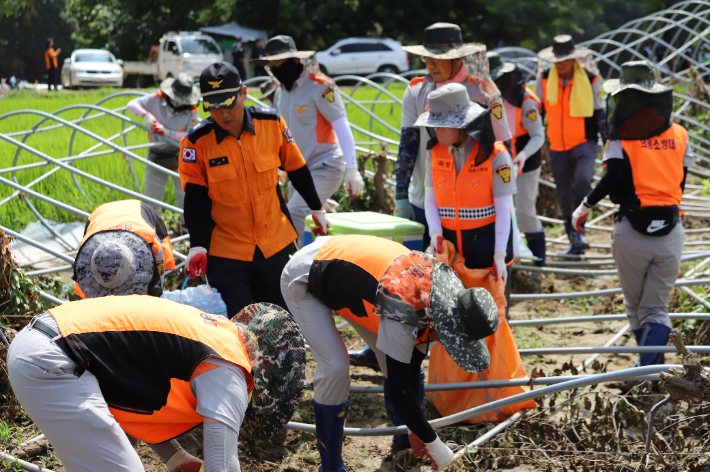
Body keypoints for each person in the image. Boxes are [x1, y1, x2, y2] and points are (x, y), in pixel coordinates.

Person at [358, 22, 512, 372]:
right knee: (431, 284)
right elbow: (408, 144)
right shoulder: (416, 90)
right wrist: (400, 194)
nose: (430, 64)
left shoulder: (485, 91)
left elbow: (504, 145)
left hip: (480, 199)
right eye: (426, 57)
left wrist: (502, 197)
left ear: (457, 56)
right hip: (430, 194)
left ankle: (491, 355)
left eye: (438, 58)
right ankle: (409, 352)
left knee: (484, 288)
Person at [7, 297, 305, 472]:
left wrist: (174, 455)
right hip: (53, 362)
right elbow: (222, 466)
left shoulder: (213, 335)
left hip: (43, 348)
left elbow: (139, 381)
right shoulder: (231, 369)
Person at [281, 234, 497, 470]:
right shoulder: (405, 307)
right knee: (335, 367)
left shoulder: (443, 301)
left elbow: (412, 366)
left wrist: (421, 433)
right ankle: (330, 466)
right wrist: (434, 443)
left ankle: (407, 439)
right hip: (307, 274)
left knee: (396, 359)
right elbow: (399, 389)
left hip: (348, 272)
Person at [179, 62, 329, 318]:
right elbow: (194, 197)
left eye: (228, 103)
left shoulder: (271, 123)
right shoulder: (196, 142)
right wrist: (198, 245)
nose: (223, 114)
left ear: (243, 93)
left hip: (273, 243)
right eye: (213, 106)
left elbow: (296, 168)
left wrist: (317, 207)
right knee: (237, 322)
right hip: (226, 249)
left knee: (280, 320)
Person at [572, 61, 692, 369]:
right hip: (672, 230)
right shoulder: (680, 134)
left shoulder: (620, 137)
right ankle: (653, 370)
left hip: (631, 231)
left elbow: (613, 177)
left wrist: (585, 206)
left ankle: (646, 372)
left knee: (635, 307)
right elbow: (681, 179)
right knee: (657, 308)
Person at [253, 35, 365, 246]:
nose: (277, 70)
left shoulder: (320, 86)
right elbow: (279, 134)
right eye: (271, 65)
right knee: (308, 220)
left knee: (294, 213)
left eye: (280, 63)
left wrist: (352, 168)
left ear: (296, 60)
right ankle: (324, 259)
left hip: (325, 164)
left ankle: (297, 267)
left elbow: (341, 125)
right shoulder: (279, 92)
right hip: (298, 170)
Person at [418, 83, 516, 307]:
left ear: (462, 124)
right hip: (451, 246)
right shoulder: (433, 153)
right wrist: (435, 233)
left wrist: (499, 254)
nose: (437, 131)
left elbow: (504, 209)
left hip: (488, 245)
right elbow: (431, 198)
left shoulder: (495, 154)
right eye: (434, 126)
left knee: (491, 313)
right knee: (455, 315)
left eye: (443, 126)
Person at [535, 35, 607, 255]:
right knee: (564, 195)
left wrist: (608, 145)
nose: (561, 63)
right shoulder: (545, 78)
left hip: (584, 141)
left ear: (573, 58)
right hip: (556, 144)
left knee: (584, 180)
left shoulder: (590, 78)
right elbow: (538, 111)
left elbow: (601, 113)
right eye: (557, 59)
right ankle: (574, 239)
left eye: (565, 59)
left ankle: (580, 230)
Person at [488, 52, 546, 270]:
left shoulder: (527, 101)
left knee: (524, 211)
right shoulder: (495, 97)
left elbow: (538, 136)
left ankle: (539, 265)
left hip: (525, 165)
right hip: (501, 162)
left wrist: (522, 155)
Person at [72, 199, 176, 299]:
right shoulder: (87, 258)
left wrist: (155, 293)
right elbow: (84, 298)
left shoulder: (151, 244)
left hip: (139, 211)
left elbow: (156, 291)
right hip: (100, 215)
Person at [127, 73, 200, 214]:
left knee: (185, 199)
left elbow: (192, 135)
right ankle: (154, 229)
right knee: (151, 202)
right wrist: (145, 115)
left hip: (180, 156)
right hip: (156, 154)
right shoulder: (157, 99)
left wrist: (168, 133)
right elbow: (131, 104)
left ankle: (185, 228)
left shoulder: (192, 109)